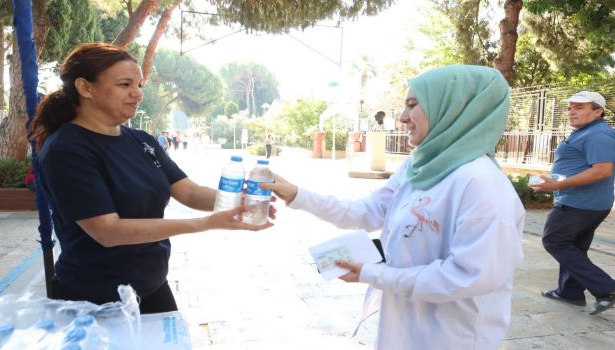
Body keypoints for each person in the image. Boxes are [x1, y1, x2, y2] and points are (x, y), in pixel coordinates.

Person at [263, 65, 525, 349]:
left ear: (452, 108)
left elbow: (467, 275)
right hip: (402, 328)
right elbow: (368, 211)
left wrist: (372, 273)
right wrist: (297, 195)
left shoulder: (481, 184)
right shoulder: (420, 166)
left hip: (452, 337)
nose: (402, 117)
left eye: (413, 105)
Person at [32, 43, 273, 314]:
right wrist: (206, 223)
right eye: (125, 84)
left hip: (150, 285)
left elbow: (189, 192)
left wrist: (241, 201)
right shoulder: (67, 149)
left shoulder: (141, 140)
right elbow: (107, 232)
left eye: (140, 85)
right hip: (94, 295)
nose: (137, 94)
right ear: (85, 88)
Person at [529, 91, 615, 315]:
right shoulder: (587, 132)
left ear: (598, 111)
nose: (571, 112)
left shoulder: (598, 134)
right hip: (585, 202)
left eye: (579, 107)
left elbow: (602, 170)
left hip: (580, 203)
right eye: (570, 107)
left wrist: (558, 185)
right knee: (574, 248)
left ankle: (608, 289)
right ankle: (569, 292)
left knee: (554, 241)